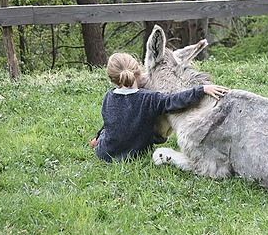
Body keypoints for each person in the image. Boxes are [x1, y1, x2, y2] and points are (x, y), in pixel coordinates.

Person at [92, 52, 229, 162]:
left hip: (105, 153)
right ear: (138, 73)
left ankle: (96, 140)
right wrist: (201, 89)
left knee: (107, 131)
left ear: (113, 80)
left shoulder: (108, 97)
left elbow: (108, 123)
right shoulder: (149, 98)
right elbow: (174, 100)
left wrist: (99, 137)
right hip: (136, 153)